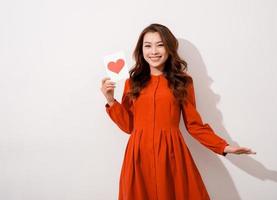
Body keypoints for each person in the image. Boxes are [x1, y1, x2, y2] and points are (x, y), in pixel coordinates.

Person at [101, 23, 256, 200]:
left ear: (169, 48)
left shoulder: (183, 82)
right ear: (141, 50)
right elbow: (129, 126)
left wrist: (224, 146)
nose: (153, 51)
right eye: (148, 45)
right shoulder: (132, 82)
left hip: (171, 153)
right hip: (138, 154)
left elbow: (194, 125)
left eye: (160, 45)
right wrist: (111, 101)